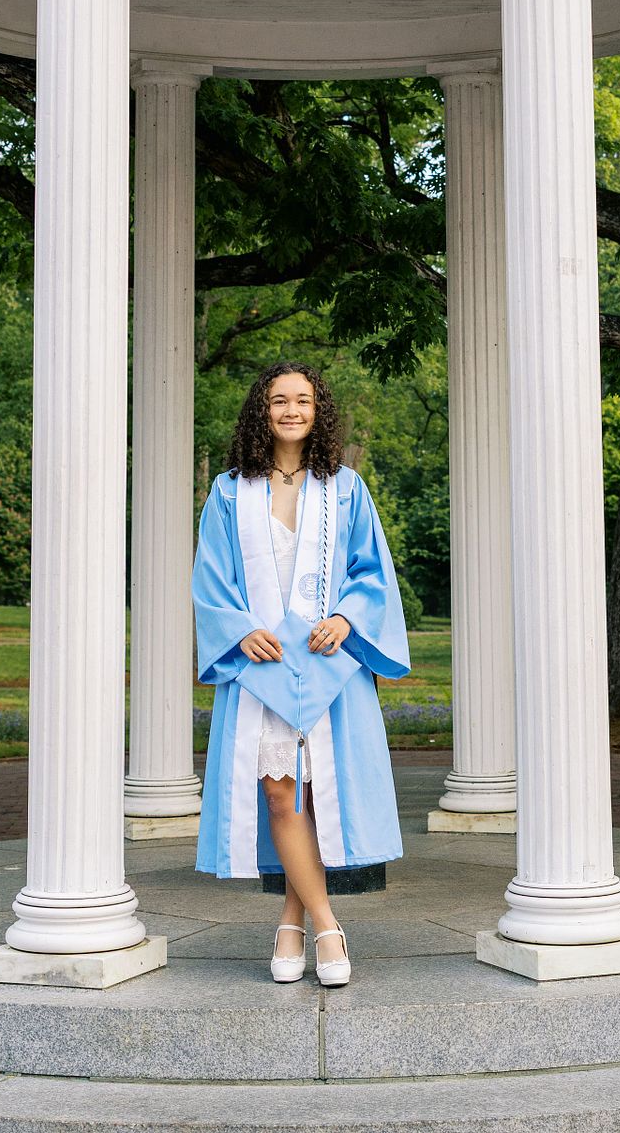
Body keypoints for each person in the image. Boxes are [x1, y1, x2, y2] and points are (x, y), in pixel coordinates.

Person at [191, 361, 410, 987]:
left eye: (303, 401)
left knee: (316, 795)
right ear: (262, 410)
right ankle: (326, 925)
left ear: (319, 412)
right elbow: (211, 577)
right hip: (262, 665)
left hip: (326, 663)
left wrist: (346, 617)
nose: (291, 410)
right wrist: (238, 629)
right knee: (280, 794)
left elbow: (371, 572)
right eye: (279, 400)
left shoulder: (344, 488)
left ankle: (291, 922)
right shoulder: (230, 492)